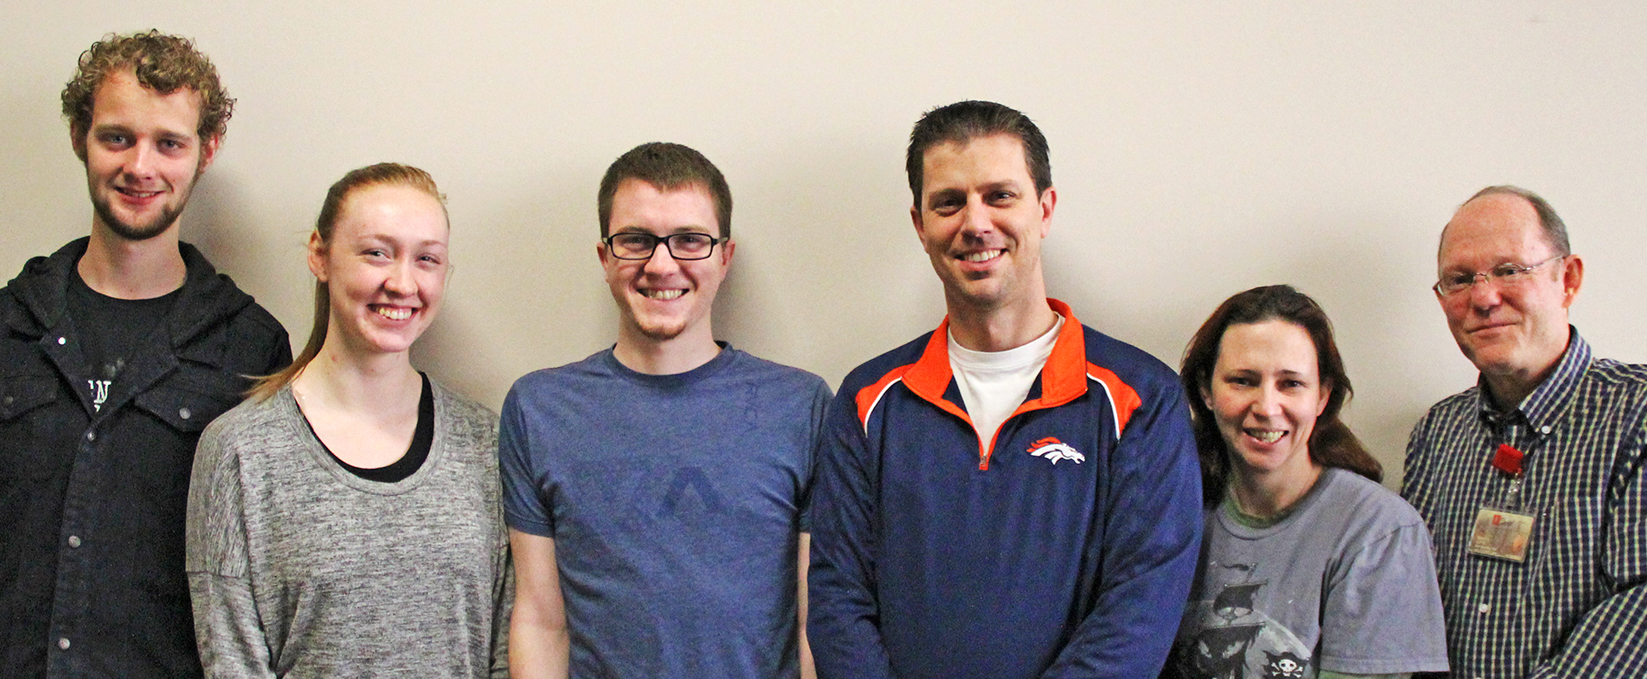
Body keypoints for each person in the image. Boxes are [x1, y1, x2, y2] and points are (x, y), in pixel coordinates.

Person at [807, 100, 1203, 679]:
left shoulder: (1140, 399)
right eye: (949, 202)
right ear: (921, 226)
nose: (975, 223)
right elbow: (839, 600)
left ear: (1044, 209)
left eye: (1000, 195)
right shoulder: (868, 400)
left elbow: (1140, 608)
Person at [0, 30, 290, 679]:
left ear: (205, 150)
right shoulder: (10, 323)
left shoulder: (249, 344)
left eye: (169, 143)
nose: (141, 166)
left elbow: (263, 575)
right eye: (117, 137)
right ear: (80, 136)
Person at [500, 142, 831, 678]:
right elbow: (541, 621)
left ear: (724, 258)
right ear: (605, 256)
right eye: (636, 240)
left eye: (689, 241)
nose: (661, 264)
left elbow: (814, 621)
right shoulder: (538, 409)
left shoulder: (801, 405)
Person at [185, 163, 511, 677]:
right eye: (376, 252)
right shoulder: (239, 453)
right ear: (320, 255)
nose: (402, 283)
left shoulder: (487, 444)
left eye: (426, 259)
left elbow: (506, 653)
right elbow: (232, 662)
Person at [1401, 186, 1647, 678]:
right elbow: (1410, 607)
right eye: (1460, 279)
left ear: (1568, 279)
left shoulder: (1636, 414)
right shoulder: (1436, 435)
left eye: (1510, 270)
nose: (1485, 297)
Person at [1166, 284, 1448, 679]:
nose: (1266, 407)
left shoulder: (1379, 532)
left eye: (1291, 384)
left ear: (1322, 396)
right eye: (1242, 380)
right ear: (1205, 391)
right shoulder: (1169, 509)